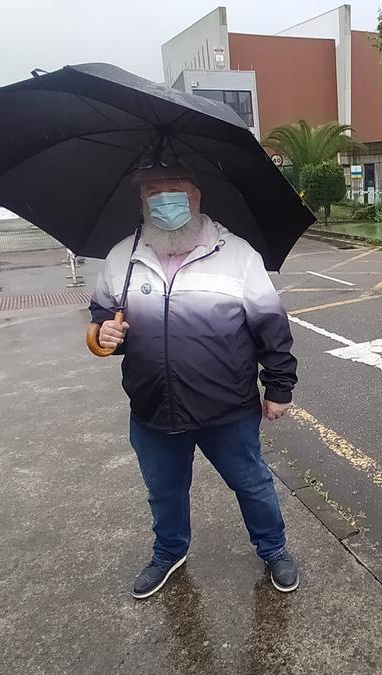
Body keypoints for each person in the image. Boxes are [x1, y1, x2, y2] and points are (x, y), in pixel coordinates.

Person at [88, 157, 300, 599]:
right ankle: (169, 552)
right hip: (152, 408)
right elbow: (103, 317)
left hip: (227, 409)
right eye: (153, 191)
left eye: (176, 190)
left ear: (197, 196)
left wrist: (279, 387)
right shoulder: (122, 257)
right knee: (163, 492)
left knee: (252, 484)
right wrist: (102, 335)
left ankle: (274, 549)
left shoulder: (236, 254)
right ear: (141, 200)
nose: (164, 199)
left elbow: (271, 325)